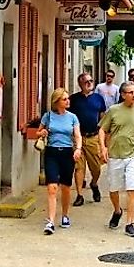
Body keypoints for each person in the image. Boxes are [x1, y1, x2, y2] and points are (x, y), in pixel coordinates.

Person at [98, 81, 134, 238]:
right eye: (130, 92)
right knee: (114, 189)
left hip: (133, 155)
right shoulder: (113, 111)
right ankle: (117, 210)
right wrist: (103, 147)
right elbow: (102, 129)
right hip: (115, 155)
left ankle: (130, 223)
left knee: (133, 188)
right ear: (122, 95)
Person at [36, 88, 82, 235]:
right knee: (52, 187)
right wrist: (41, 133)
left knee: (66, 187)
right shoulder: (48, 116)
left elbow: (77, 135)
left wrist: (78, 149)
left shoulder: (72, 117)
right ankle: (50, 221)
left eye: (68, 98)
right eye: (64, 99)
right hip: (52, 152)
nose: (68, 101)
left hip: (67, 153)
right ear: (56, 102)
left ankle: (65, 215)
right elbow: (38, 131)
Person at [69, 73, 108, 206]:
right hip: (78, 138)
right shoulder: (73, 99)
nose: (89, 83)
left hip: (93, 137)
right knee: (79, 167)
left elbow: (103, 117)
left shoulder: (98, 98)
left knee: (96, 167)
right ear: (80, 84)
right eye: (86, 81)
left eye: (91, 81)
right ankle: (79, 195)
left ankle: (94, 183)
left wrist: (104, 139)